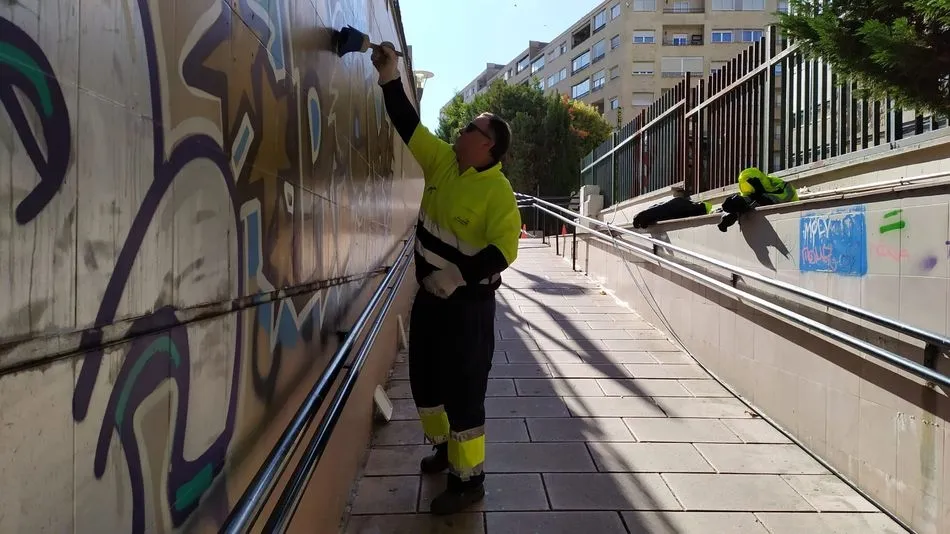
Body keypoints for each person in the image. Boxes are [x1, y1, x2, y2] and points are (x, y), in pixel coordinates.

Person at [371, 44, 522, 514]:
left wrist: (459, 275)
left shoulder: (497, 192)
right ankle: (442, 448)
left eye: (471, 127)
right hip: (430, 302)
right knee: (424, 382)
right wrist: (389, 74)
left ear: (488, 145)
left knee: (464, 392)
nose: (461, 129)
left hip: (468, 309)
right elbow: (407, 123)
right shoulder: (443, 162)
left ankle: (468, 480)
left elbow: (504, 250)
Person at [718, 167, 798, 231]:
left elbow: (783, 197)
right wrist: (730, 214)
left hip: (793, 222)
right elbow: (746, 199)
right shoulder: (748, 189)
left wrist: (759, 197)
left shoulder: (781, 185)